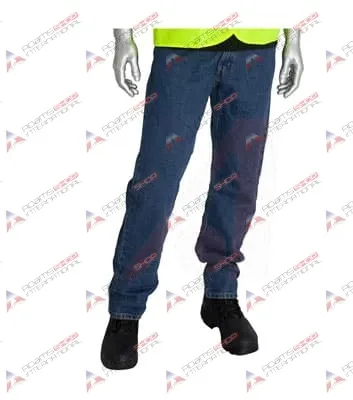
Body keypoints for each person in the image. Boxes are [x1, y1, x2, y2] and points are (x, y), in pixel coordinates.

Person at [101, 26, 303, 370]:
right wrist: (123, 36)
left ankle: (221, 294)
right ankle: (126, 308)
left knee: (240, 178)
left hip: (256, 41)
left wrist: (294, 37)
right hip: (185, 39)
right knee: (155, 184)